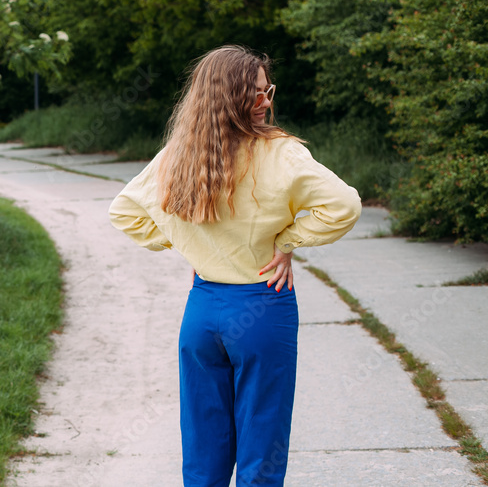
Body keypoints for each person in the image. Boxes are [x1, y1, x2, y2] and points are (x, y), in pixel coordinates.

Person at [108, 45, 362, 487]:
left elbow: (124, 211)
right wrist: (288, 242)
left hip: (203, 311)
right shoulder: (282, 154)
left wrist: (191, 246)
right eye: (256, 94)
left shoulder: (178, 154)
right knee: (261, 446)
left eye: (268, 92)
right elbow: (344, 205)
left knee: (203, 448)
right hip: (263, 305)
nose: (266, 102)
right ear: (229, 97)